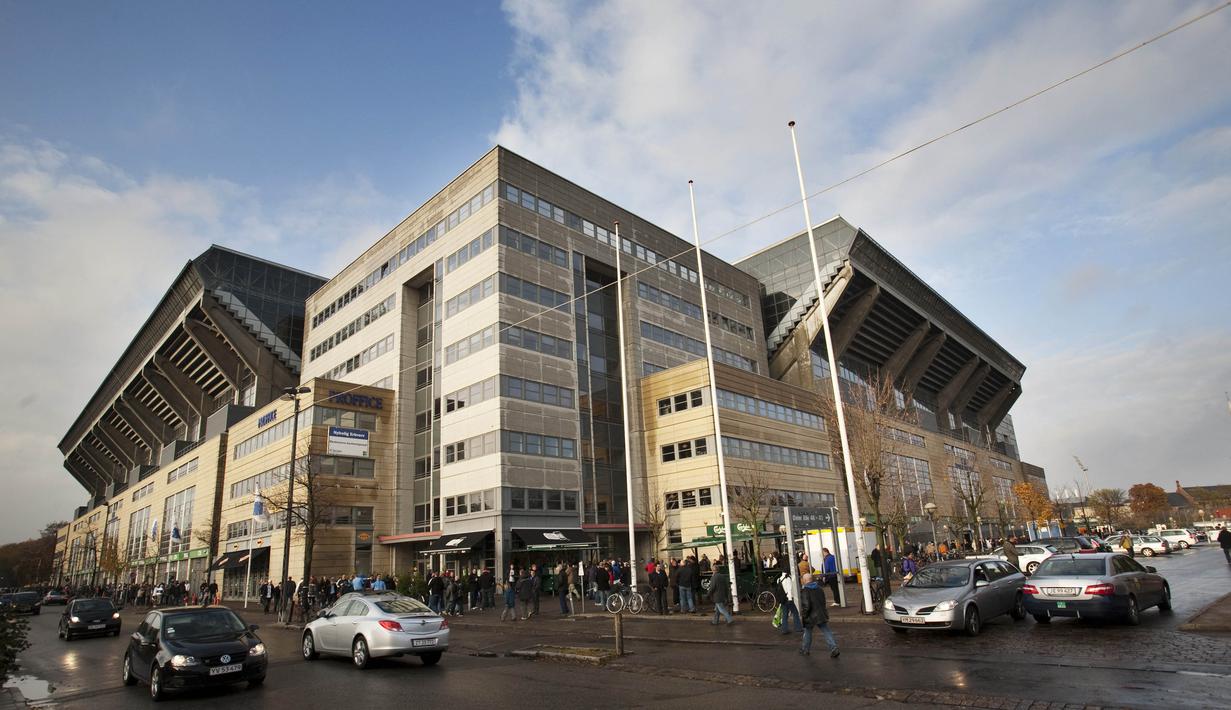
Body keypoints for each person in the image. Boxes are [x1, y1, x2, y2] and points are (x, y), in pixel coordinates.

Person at [798, 573, 839, 657]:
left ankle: (805, 649)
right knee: (826, 631)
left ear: (804, 580)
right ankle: (834, 648)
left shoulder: (805, 590)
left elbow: (806, 606)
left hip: (810, 615)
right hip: (820, 613)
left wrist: (804, 615)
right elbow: (823, 601)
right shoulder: (819, 588)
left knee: (808, 632)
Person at [775, 567, 802, 634]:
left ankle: (784, 629)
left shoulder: (779, 579)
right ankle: (798, 628)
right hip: (788, 599)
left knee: (785, 614)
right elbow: (789, 589)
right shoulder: (788, 578)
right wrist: (790, 599)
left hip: (782, 599)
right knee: (795, 613)